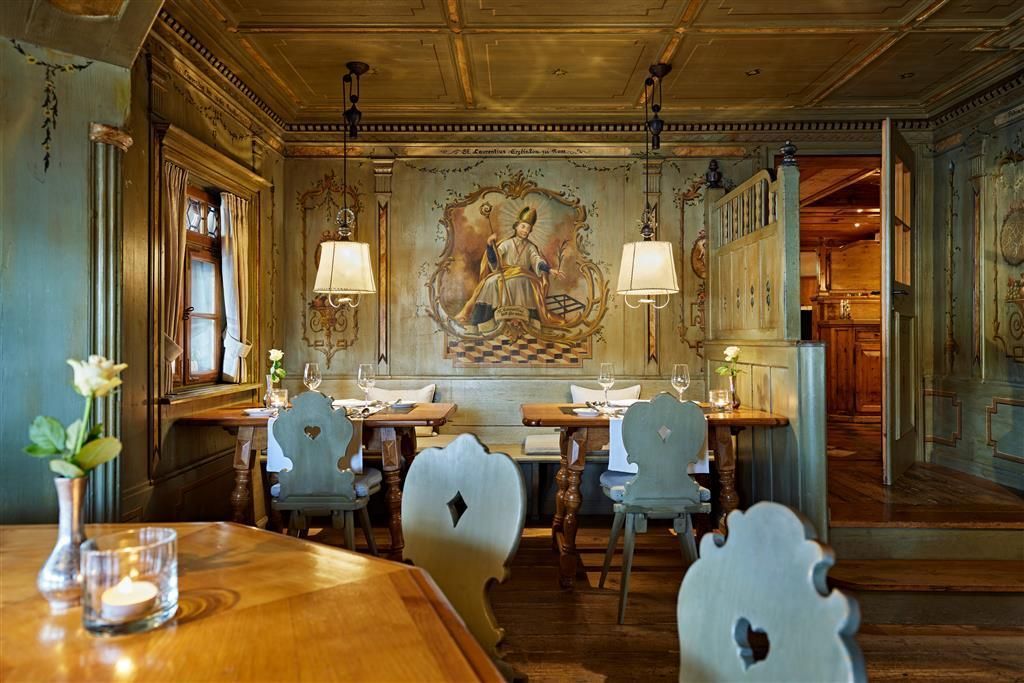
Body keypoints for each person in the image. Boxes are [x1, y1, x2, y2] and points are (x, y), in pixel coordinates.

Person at [456, 206, 566, 329]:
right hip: (505, 273)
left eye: (528, 228)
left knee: (525, 282)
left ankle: (526, 320)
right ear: (516, 226)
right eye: (523, 226)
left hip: (524, 275)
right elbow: (495, 259)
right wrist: (490, 245)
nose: (525, 231)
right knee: (489, 282)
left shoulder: (530, 247)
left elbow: (537, 261)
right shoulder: (507, 243)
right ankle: (483, 320)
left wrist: (549, 269)